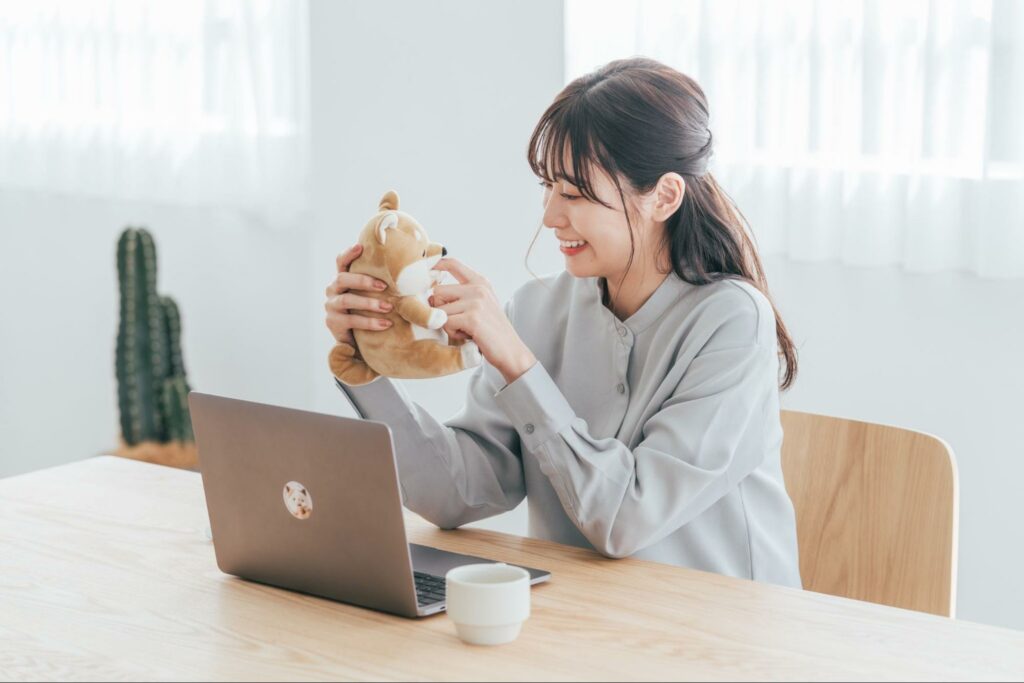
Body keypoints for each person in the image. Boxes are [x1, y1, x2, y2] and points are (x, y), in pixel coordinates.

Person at [324, 57, 802, 588]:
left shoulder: (732, 322)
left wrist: (518, 365)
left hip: (719, 642)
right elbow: (454, 494)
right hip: (580, 624)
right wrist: (367, 359)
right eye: (548, 188)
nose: (551, 215)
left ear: (664, 196)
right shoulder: (537, 308)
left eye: (573, 194)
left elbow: (626, 518)